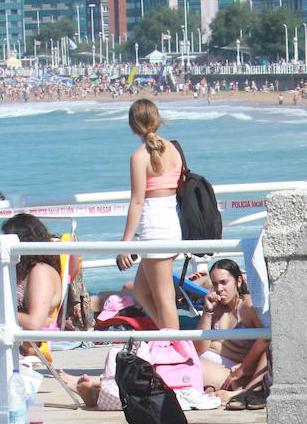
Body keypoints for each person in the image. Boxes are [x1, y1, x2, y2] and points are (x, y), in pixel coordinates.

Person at [116, 98, 183, 332]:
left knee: (164, 296)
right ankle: (167, 335)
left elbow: (137, 201)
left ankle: (176, 347)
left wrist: (126, 243)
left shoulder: (139, 156)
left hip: (154, 227)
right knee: (142, 292)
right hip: (172, 223)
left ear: (133, 125)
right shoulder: (174, 149)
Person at [0, 214, 65, 351]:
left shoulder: (41, 272)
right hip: (2, 334)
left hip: (23, 343)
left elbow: (34, 323)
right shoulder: (21, 270)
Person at [194, 258, 270, 406]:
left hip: (237, 369)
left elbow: (267, 338)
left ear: (238, 281)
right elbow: (198, 348)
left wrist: (243, 368)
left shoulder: (248, 307)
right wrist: (207, 311)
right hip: (219, 365)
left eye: (224, 282)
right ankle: (238, 391)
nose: (219, 288)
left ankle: (247, 391)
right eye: (215, 284)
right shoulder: (215, 307)